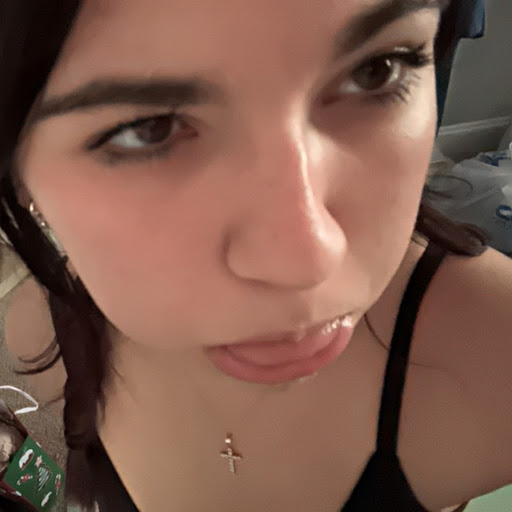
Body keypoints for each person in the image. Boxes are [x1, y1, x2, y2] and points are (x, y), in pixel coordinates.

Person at [1, 1, 512, 511]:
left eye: (376, 70)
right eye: (149, 128)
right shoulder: (42, 337)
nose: (307, 261)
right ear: (18, 170)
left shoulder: (496, 359)